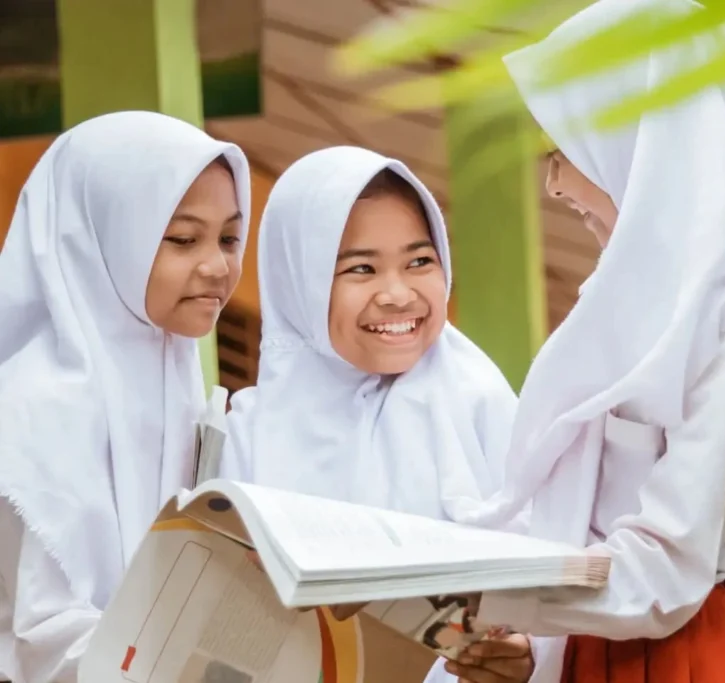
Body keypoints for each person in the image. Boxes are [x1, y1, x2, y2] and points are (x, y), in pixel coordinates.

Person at [438, 1, 725, 681]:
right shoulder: (635, 309)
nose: (554, 184)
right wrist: (529, 637)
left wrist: (478, 591)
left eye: (562, 150)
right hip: (602, 641)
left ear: (653, 136)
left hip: (699, 652)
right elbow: (585, 527)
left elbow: (665, 564)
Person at [0, 111, 251, 683]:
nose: (218, 266)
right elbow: (44, 639)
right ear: (99, 239)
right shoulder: (32, 410)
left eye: (229, 238)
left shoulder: (178, 385)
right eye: (183, 239)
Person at [219, 145, 519, 548]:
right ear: (299, 285)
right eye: (362, 269)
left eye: (419, 262)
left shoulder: (480, 403)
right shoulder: (248, 437)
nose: (398, 294)